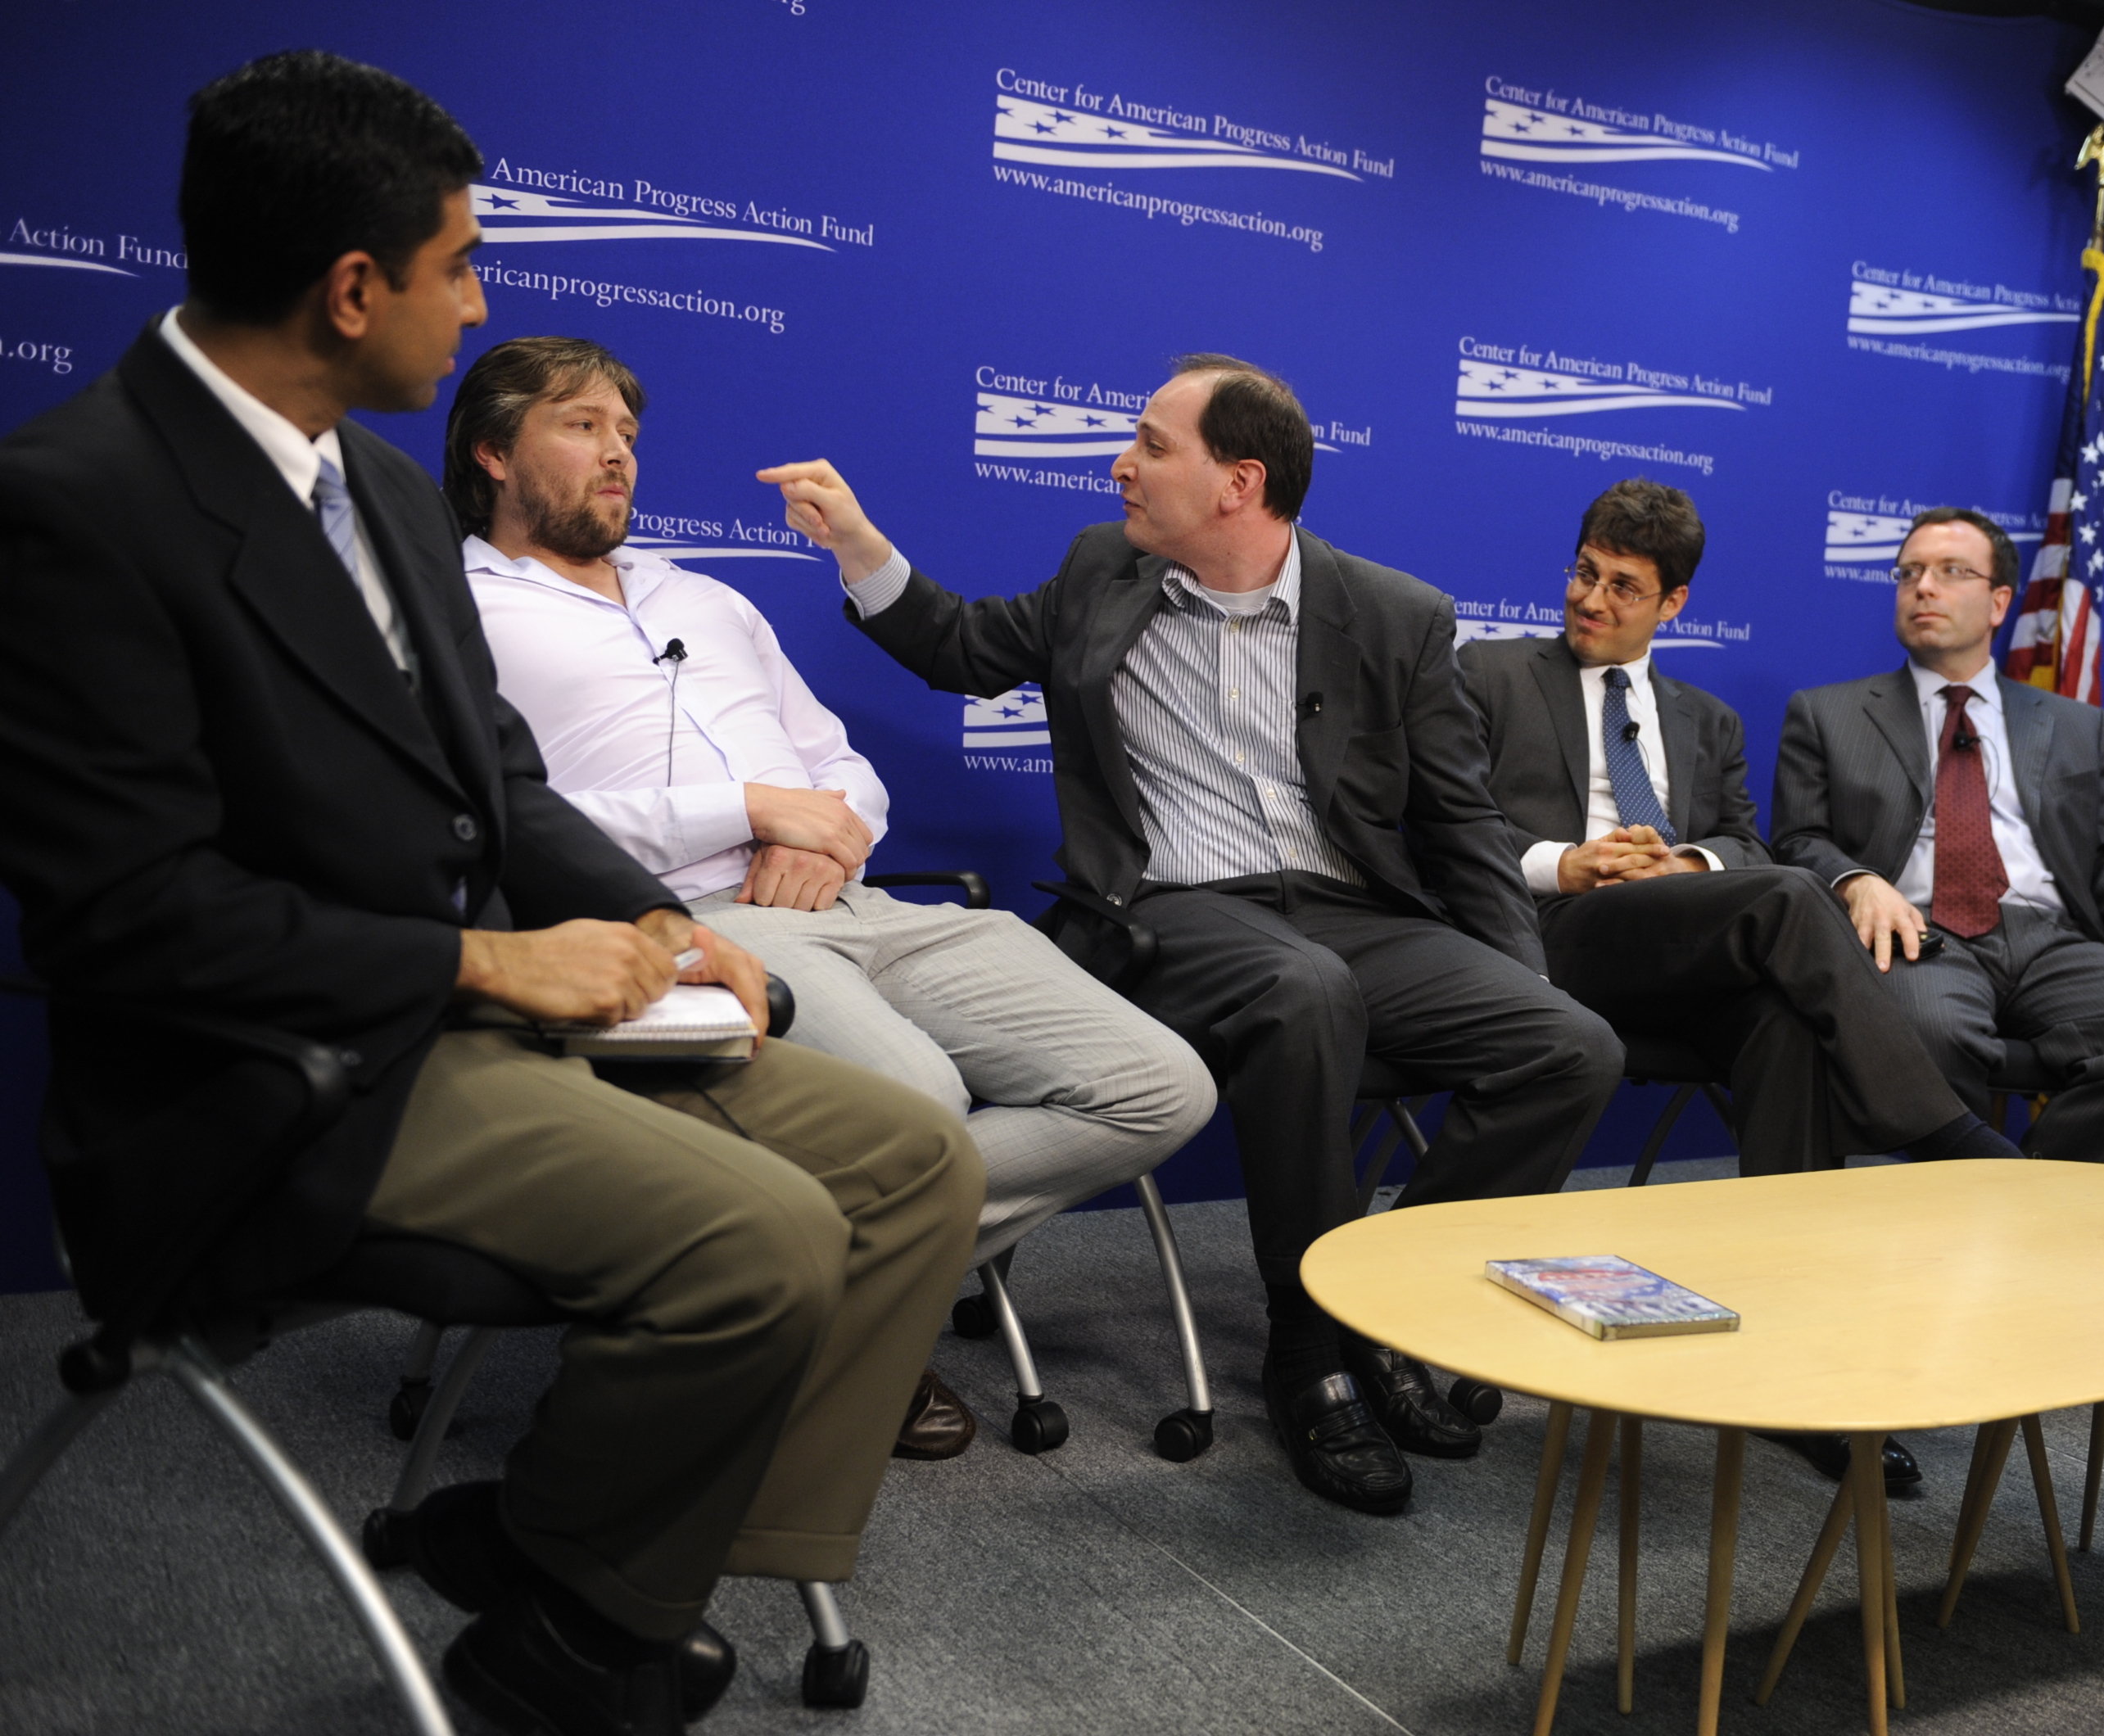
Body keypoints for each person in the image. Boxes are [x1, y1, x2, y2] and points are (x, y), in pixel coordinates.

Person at [0, 54, 980, 1736]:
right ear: (352, 286)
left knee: (911, 1159)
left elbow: (505, 793)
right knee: (764, 1234)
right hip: (271, 1081)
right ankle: (579, 1626)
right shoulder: (74, 507)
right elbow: (127, 923)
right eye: (460, 265)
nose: (479, 303)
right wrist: (494, 966)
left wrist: (662, 926)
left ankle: (590, 1563)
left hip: (479, 1023)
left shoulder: (373, 483)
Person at [759, 355, 1625, 1515]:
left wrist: (1510, 983)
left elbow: (1461, 822)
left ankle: (1385, 1309)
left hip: (1353, 909)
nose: (1121, 462)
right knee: (1305, 993)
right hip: (1166, 913)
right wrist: (858, 541)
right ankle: (1307, 1352)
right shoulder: (1098, 572)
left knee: (1572, 1044)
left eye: (1154, 444)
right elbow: (964, 649)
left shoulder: (1397, 614)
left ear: (1239, 483)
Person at [445, 336, 1216, 1458]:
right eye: (582, 426)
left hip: (857, 900)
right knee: (918, 1106)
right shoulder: (455, 610)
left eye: (628, 433)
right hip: (677, 926)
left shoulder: (701, 597)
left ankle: (823, 1308)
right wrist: (751, 809)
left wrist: (830, 830)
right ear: (492, 453)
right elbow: (496, 818)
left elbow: (840, 760)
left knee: (1160, 1086)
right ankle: (849, 1315)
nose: (620, 454)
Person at [1462, 479, 2032, 1494]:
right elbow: (1448, 821)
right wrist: (1567, 859)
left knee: (1784, 1018)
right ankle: (1950, 1138)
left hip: (1672, 945)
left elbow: (1737, 839)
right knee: (1784, 900)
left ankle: (1796, 1374)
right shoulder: (1493, 672)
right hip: (1548, 937)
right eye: (1584, 573)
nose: (1591, 600)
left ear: (1672, 603)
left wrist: (1685, 866)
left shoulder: (1706, 718)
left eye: (1624, 587)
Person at [1773, 507, 2104, 1167]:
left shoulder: (2075, 726)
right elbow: (1797, 841)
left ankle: (2028, 1210)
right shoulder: (1828, 713)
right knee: (1929, 1031)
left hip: (2050, 940)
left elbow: (2103, 865)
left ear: (1999, 601)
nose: (1924, 587)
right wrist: (1856, 881)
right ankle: (1971, 1222)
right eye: (1910, 572)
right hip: (1917, 932)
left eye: (1952, 572)